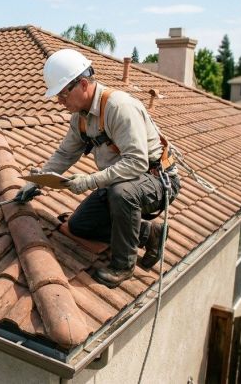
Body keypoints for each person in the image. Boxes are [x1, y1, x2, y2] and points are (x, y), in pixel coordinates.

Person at [15, 49, 181, 288]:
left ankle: (123, 266)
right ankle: (149, 234)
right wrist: (36, 181)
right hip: (120, 181)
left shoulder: (118, 107)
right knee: (79, 226)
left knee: (122, 194)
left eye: (62, 95)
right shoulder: (80, 118)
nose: (60, 102)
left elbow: (137, 162)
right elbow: (64, 154)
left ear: (82, 84)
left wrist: (90, 180)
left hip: (156, 180)